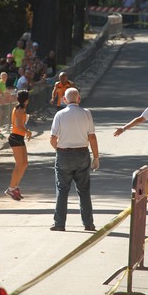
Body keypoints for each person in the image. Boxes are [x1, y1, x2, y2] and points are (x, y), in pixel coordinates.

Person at [50, 87, 99, 231]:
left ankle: (59, 224)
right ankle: (88, 223)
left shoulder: (59, 114)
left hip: (64, 154)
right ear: (79, 99)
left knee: (62, 189)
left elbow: (53, 138)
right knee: (83, 190)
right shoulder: (86, 113)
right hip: (82, 154)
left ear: (64, 100)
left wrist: (59, 150)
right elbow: (92, 137)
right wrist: (96, 156)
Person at [5, 89, 32, 201]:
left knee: (24, 164)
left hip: (19, 138)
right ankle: (11, 188)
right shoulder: (20, 109)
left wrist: (26, 131)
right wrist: (28, 131)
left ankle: (15, 187)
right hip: (15, 137)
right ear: (26, 100)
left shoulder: (21, 108)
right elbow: (18, 125)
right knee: (19, 164)